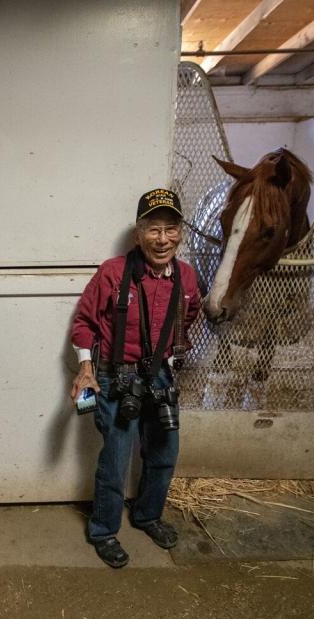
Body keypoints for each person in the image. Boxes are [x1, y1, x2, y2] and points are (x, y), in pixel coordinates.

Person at [69, 188, 201, 568]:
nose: (163, 239)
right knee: (115, 458)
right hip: (115, 379)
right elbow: (84, 323)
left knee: (164, 454)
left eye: (171, 229)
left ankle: (147, 516)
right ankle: (103, 530)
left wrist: (170, 364)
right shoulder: (113, 272)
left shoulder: (188, 278)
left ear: (180, 232)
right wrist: (86, 367)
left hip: (160, 377)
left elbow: (187, 323)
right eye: (154, 229)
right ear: (138, 234)